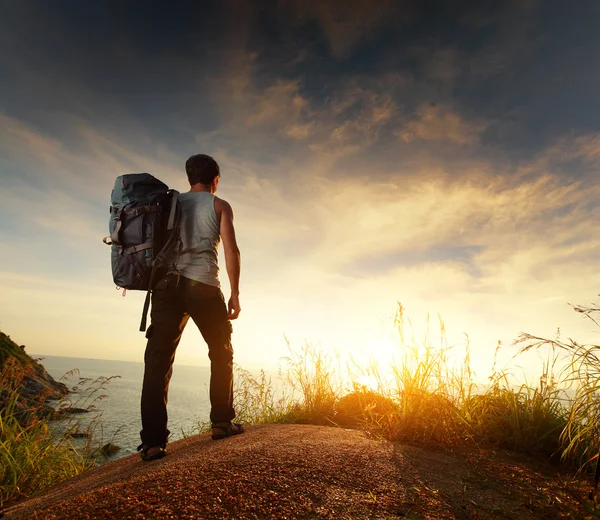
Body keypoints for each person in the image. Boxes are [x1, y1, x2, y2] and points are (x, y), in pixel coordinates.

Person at [137, 154, 244, 461]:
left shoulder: (170, 204)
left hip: (166, 288)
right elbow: (231, 251)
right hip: (204, 286)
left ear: (189, 178)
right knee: (221, 351)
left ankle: (154, 443)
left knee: (158, 361)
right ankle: (222, 423)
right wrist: (234, 294)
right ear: (216, 180)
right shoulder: (219, 205)